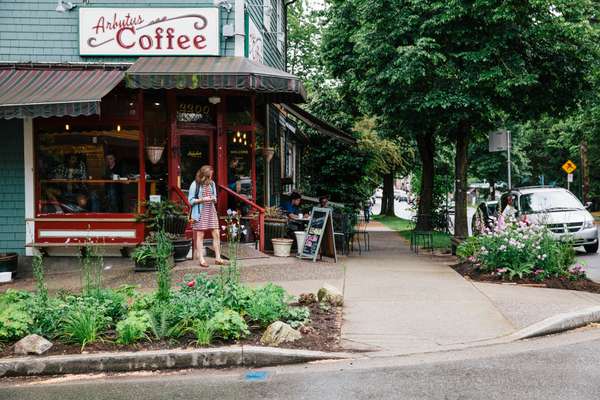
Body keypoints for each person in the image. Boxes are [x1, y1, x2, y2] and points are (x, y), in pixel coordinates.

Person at [188, 165, 226, 268]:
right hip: (200, 212)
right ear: (203, 175)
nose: (210, 178)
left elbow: (215, 197)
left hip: (211, 211)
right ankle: (201, 259)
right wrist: (202, 199)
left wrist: (213, 199)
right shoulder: (195, 184)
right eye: (209, 176)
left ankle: (218, 258)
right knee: (200, 235)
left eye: (211, 176)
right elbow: (190, 200)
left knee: (216, 234)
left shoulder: (212, 183)